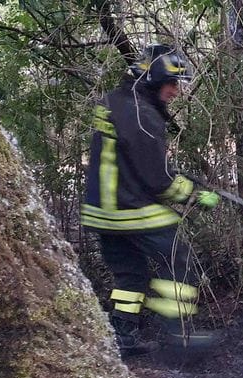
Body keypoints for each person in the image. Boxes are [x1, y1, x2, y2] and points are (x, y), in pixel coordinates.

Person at [81, 44, 220, 357]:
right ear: (153, 81)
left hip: (102, 212)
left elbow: (136, 160)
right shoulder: (143, 116)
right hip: (130, 209)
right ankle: (179, 335)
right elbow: (159, 180)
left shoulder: (115, 102)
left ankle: (123, 336)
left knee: (131, 274)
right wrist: (197, 196)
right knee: (178, 257)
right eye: (172, 84)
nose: (176, 91)